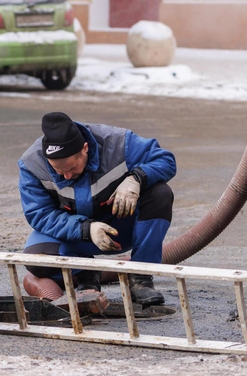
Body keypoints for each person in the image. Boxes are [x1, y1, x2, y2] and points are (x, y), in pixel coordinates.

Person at [18, 112, 176, 306]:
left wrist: (137, 178)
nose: (66, 176)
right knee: (35, 258)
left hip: (120, 229)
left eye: (72, 168)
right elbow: (40, 215)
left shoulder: (118, 143)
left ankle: (140, 278)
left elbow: (166, 160)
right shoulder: (31, 164)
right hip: (76, 237)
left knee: (160, 194)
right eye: (59, 171)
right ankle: (86, 274)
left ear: (85, 148)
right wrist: (85, 228)